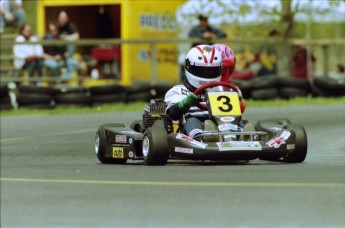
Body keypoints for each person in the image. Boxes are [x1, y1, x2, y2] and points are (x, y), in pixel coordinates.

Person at [164, 44, 222, 140]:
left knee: (235, 121)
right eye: (201, 70)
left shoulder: (221, 91)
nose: (206, 76)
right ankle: (200, 137)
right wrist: (186, 103)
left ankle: (240, 135)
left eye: (211, 71)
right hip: (188, 129)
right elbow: (171, 114)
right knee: (192, 120)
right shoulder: (178, 90)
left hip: (221, 124)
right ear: (188, 67)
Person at [212, 43, 246, 114]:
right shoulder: (199, 88)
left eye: (226, 70)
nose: (222, 74)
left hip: (228, 121)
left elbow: (241, 110)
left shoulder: (234, 89)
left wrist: (239, 101)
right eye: (219, 70)